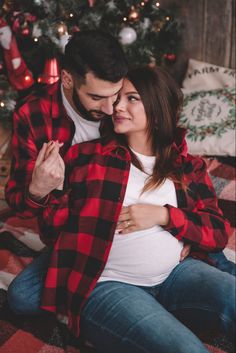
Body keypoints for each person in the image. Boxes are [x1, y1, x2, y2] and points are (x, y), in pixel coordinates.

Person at [6, 31, 235, 316]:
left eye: (118, 95)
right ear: (67, 80)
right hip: (82, 222)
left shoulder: (122, 103)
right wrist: (37, 191)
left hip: (146, 215)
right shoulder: (34, 115)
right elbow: (19, 199)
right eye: (97, 97)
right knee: (23, 299)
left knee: (219, 268)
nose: (111, 108)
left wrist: (176, 227)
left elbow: (162, 149)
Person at [37, 66, 235, 353]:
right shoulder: (89, 157)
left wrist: (164, 215)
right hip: (109, 286)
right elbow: (51, 229)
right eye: (118, 98)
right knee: (186, 349)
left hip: (176, 275)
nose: (117, 106)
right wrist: (43, 190)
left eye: (131, 99)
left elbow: (217, 233)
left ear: (156, 108)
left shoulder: (187, 165)